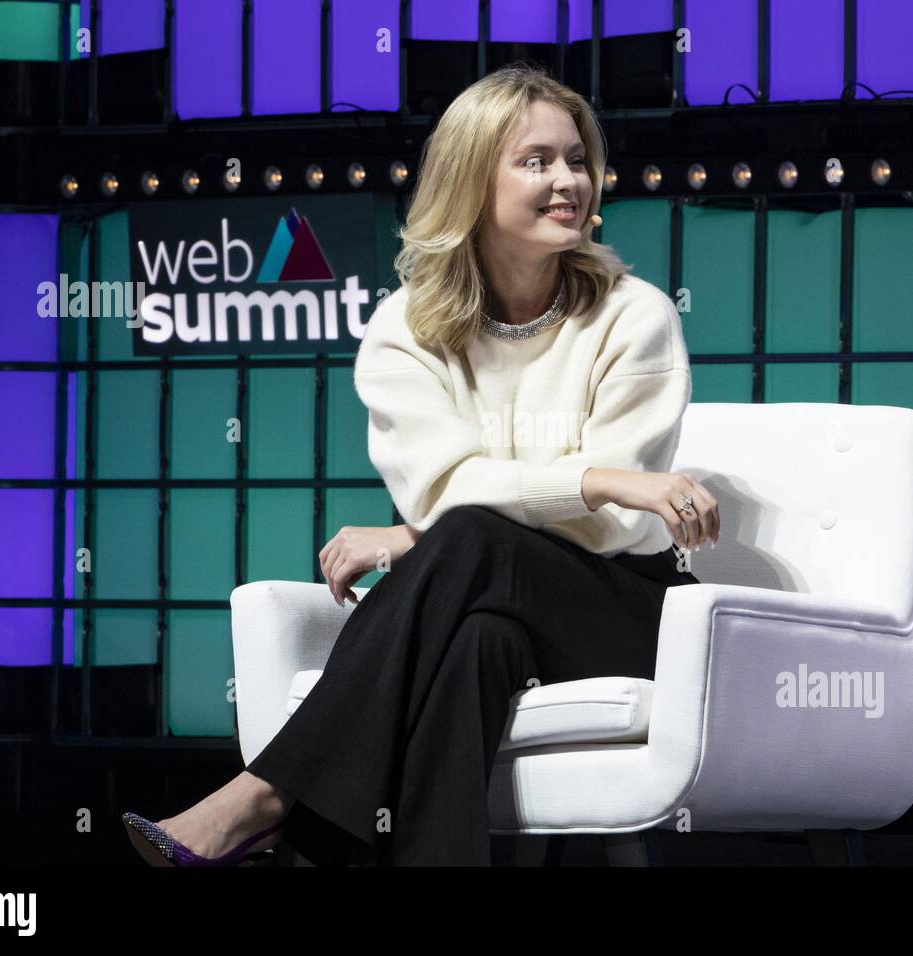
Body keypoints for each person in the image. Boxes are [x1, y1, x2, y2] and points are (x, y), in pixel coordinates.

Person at [122, 62, 719, 867]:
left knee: (472, 541)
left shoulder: (632, 316)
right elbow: (450, 491)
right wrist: (593, 475)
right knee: (476, 640)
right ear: (473, 180)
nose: (567, 181)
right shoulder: (405, 329)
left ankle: (268, 793)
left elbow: (606, 530)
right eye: (536, 161)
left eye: (576, 160)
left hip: (621, 612)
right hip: (488, 590)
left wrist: (419, 541)